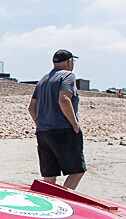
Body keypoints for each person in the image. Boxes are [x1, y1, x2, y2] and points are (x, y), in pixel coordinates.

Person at [27, 49, 85, 190]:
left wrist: (41, 124)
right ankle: (62, 198)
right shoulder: (68, 76)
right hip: (63, 129)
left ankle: (48, 199)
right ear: (69, 61)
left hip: (43, 132)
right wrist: (75, 125)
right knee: (77, 171)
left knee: (49, 175)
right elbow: (64, 100)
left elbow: (31, 108)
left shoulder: (43, 80)